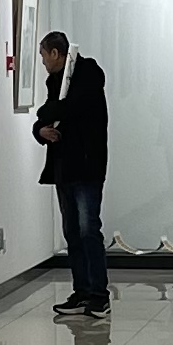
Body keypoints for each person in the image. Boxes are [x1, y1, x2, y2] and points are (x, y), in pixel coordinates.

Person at [33, 30, 108, 318]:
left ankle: (99, 296)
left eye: (44, 56)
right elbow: (48, 115)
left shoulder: (88, 74)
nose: (43, 63)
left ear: (56, 53)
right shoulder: (54, 81)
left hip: (87, 166)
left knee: (89, 229)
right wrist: (40, 130)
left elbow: (69, 107)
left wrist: (46, 113)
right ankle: (82, 291)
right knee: (72, 232)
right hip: (63, 167)